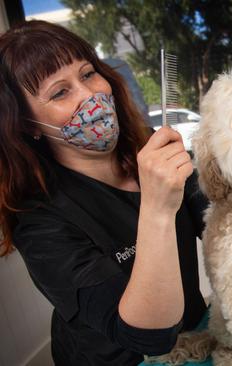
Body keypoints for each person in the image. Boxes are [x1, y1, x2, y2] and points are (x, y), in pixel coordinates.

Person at [0, 21, 208, 364]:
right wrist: (156, 208)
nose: (89, 95)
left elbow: (219, 218)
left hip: (194, 339)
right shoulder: (38, 221)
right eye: (59, 92)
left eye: (87, 74)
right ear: (28, 125)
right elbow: (146, 336)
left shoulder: (149, 148)